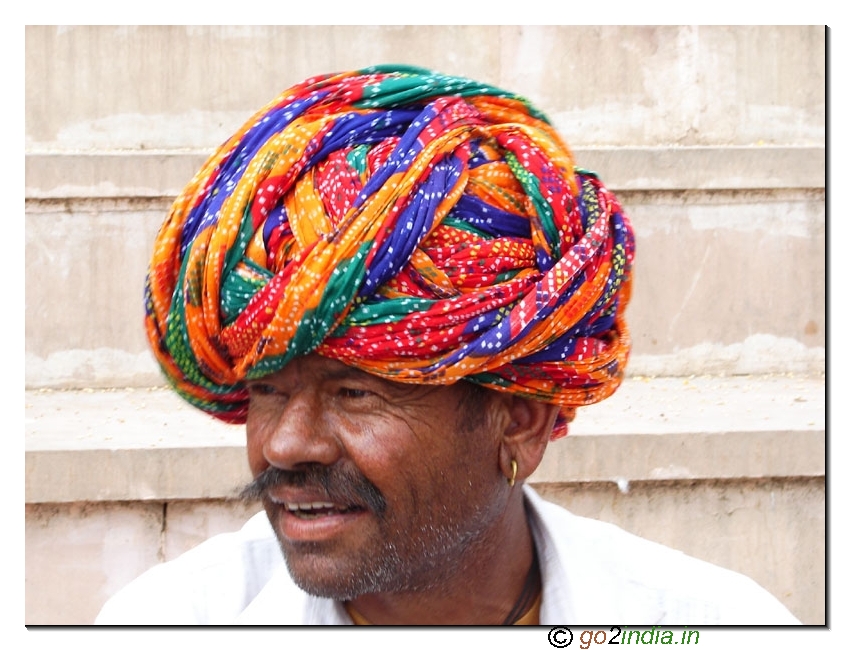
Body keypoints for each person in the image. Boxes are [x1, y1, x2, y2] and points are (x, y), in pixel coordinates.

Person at [96, 65, 799, 625]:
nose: (284, 445)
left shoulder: (707, 622)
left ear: (518, 420)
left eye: (354, 392)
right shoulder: (168, 620)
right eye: (268, 390)